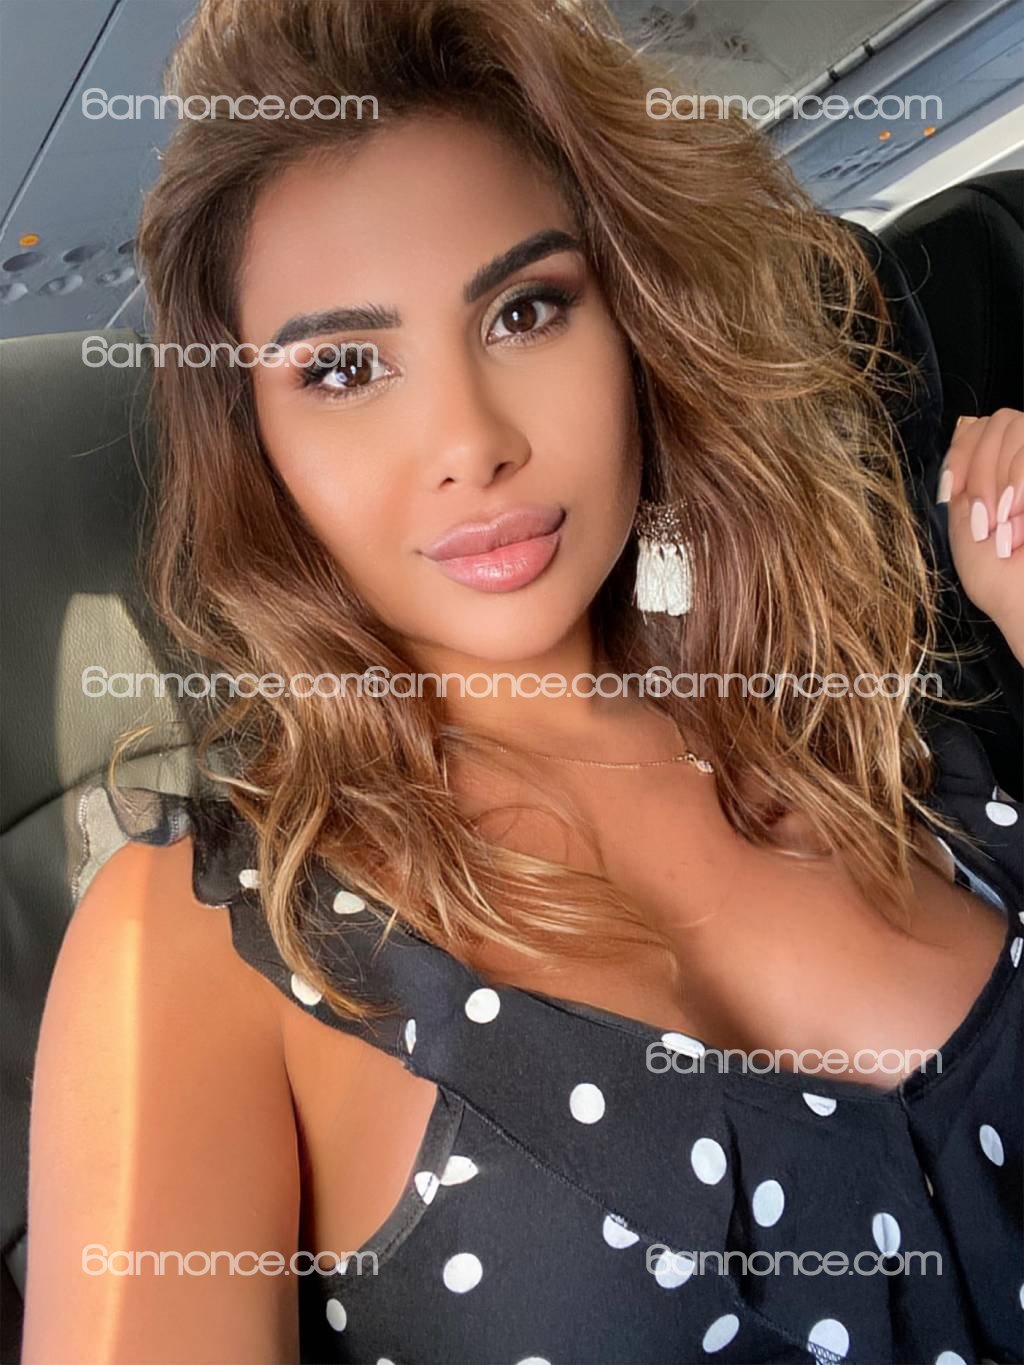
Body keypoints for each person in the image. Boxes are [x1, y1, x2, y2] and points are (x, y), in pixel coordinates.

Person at [22, 1, 1023, 1362]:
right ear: (253, 442)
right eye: (343, 367)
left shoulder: (862, 716)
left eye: (526, 309)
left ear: (636, 326)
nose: (470, 442)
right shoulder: (209, 940)